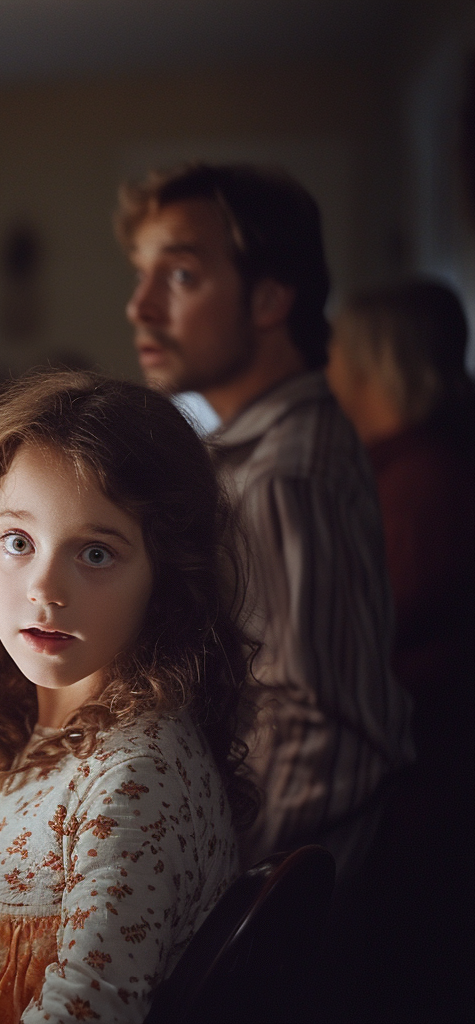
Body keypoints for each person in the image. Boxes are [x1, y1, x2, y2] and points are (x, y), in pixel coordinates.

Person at [0, 371, 257, 1024]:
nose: (43, 588)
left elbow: (86, 1012)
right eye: (18, 542)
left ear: (168, 577)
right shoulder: (69, 717)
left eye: (95, 553)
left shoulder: (133, 776)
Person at [117, 163, 413, 872]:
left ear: (271, 299)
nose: (141, 307)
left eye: (181, 276)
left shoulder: (284, 472)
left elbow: (321, 730)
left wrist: (214, 886)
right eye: (142, 272)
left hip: (290, 901)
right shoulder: (258, 444)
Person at [324, 284, 475, 1021]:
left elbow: (353, 642)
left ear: (372, 362)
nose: (327, 368)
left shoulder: (419, 485)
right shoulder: (401, 471)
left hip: (412, 802)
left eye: (338, 350)